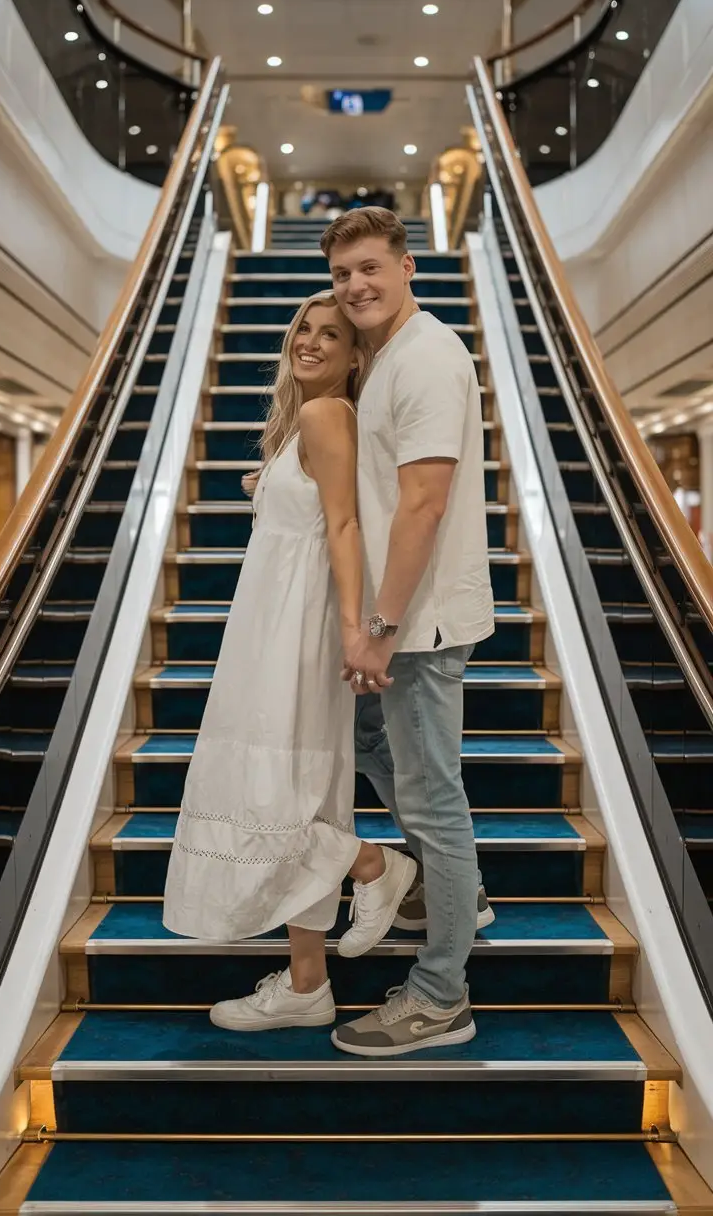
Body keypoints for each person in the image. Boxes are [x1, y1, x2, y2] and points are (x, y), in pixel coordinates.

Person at [162, 291, 418, 1030]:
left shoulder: (323, 413)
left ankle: (372, 862)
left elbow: (344, 526)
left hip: (296, 628)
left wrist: (351, 630)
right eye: (302, 328)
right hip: (274, 618)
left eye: (330, 333)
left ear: (354, 353)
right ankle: (309, 983)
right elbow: (318, 509)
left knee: (271, 787)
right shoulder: (305, 423)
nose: (309, 341)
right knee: (301, 786)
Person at [320, 207, 495, 1058]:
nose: (355, 285)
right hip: (407, 619)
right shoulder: (388, 358)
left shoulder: (426, 356)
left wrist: (379, 628)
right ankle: (461, 894)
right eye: (343, 273)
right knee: (371, 746)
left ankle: (440, 996)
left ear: (407, 267)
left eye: (369, 268)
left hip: (417, 625)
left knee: (432, 797)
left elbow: (422, 504)